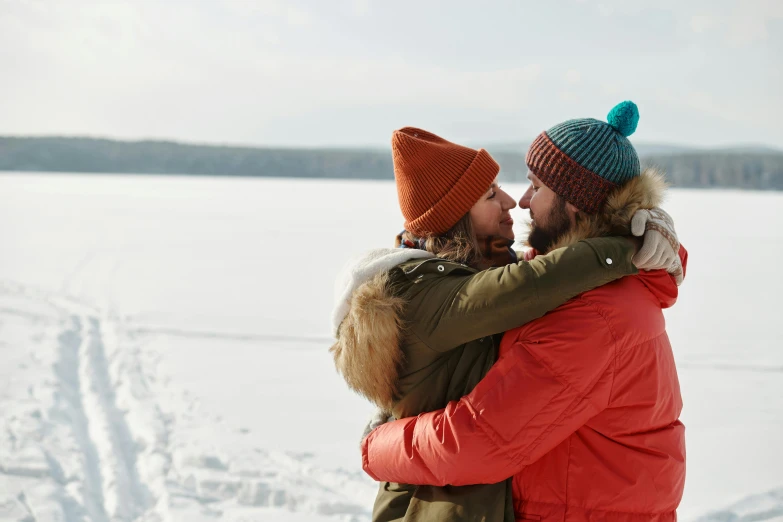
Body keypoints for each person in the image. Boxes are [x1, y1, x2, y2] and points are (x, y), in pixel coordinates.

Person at [332, 112, 681, 521]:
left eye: (536, 186)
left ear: (575, 202)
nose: (521, 201)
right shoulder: (572, 288)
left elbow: (478, 443)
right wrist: (633, 244)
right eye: (491, 194)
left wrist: (379, 444)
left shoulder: (593, 314)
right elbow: (530, 278)